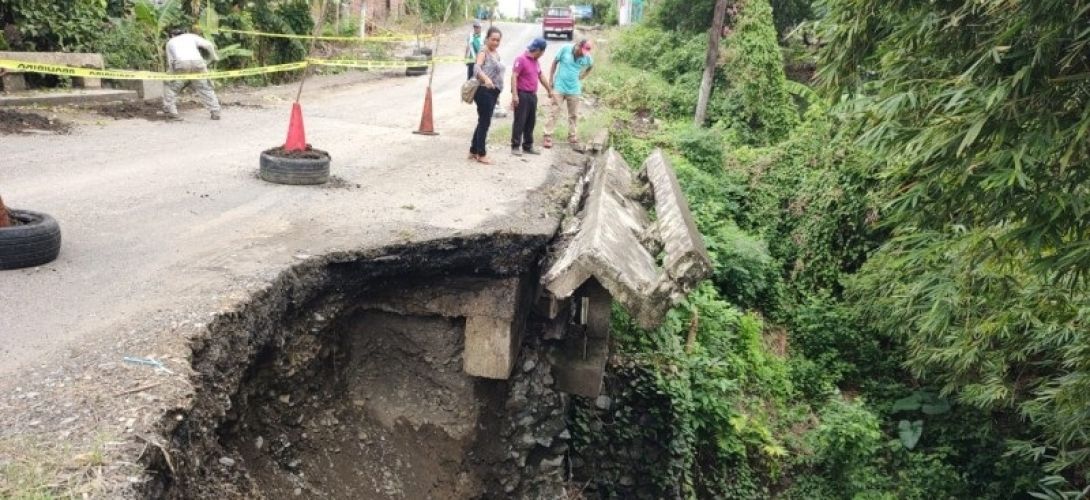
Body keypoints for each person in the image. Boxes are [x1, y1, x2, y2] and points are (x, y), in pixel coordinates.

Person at [162, 28, 221, 121]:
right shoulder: (191, 36)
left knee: (171, 87)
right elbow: (209, 44)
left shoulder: (170, 42)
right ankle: (215, 111)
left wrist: (171, 75)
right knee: (204, 87)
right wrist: (214, 57)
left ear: (172, 35)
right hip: (198, 62)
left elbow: (170, 61)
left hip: (181, 63)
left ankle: (171, 112)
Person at [544, 39, 593, 149]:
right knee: (554, 111)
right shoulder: (565, 49)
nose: (583, 54)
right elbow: (555, 62)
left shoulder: (587, 57)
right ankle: (547, 135)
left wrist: (582, 76)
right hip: (559, 86)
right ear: (578, 46)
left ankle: (572, 136)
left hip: (574, 89)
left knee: (573, 115)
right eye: (582, 51)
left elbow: (590, 66)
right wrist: (551, 79)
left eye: (585, 52)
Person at [509, 38, 554, 156]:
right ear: (540, 50)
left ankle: (528, 146)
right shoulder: (521, 59)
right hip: (522, 94)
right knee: (520, 121)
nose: (543, 55)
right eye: (543, 52)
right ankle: (515, 146)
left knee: (531, 121)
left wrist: (549, 89)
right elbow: (514, 76)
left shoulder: (536, 61)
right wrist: (514, 95)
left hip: (532, 95)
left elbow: (541, 76)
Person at [469, 27, 505, 165]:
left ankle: (473, 150)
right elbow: (476, 68)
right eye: (493, 39)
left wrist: (498, 93)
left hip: (493, 92)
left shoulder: (496, 53)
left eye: (498, 40)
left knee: (482, 121)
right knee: (485, 122)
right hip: (483, 91)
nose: (495, 42)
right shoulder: (483, 52)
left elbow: (498, 74)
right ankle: (481, 154)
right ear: (487, 39)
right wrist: (486, 79)